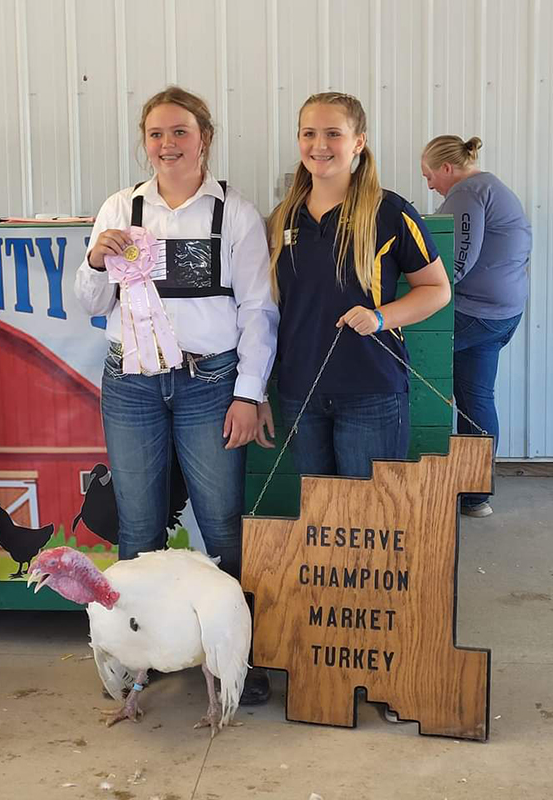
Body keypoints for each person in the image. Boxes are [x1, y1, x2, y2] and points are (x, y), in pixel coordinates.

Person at [74, 86, 278, 703]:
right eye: (157, 134)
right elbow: (91, 303)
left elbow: (258, 311)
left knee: (221, 525)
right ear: (146, 142)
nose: (168, 144)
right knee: (138, 527)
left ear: (205, 139)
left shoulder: (234, 213)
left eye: (181, 132)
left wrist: (248, 394)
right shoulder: (120, 207)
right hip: (131, 384)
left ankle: (240, 656)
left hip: (209, 384)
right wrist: (94, 260)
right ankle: (142, 659)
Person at [266, 92, 451, 480]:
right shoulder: (281, 219)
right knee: (320, 521)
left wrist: (380, 317)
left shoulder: (391, 211)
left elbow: (437, 289)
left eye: (333, 133)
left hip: (372, 390)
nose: (319, 145)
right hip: (301, 391)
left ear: (358, 142)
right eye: (309, 133)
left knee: (371, 520)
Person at [421, 135, 532, 517]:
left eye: (430, 176)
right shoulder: (492, 188)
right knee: (476, 400)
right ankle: (475, 496)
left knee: (406, 362)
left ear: (448, 169)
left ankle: (413, 475)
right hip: (502, 312)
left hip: (476, 313)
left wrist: (422, 291)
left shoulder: (469, 192)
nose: (430, 185)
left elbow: (457, 260)